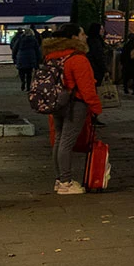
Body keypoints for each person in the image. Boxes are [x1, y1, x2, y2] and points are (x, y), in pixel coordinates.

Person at [43, 24, 103, 195]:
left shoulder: (52, 55)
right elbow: (86, 87)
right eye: (82, 33)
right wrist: (95, 106)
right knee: (67, 142)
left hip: (57, 102)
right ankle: (66, 182)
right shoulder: (78, 58)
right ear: (74, 38)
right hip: (75, 104)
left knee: (59, 139)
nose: (85, 37)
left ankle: (59, 179)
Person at [11, 26, 41, 92]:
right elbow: (37, 51)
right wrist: (38, 60)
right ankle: (28, 87)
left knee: (21, 71)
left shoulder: (20, 39)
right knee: (29, 73)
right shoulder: (34, 40)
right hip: (31, 58)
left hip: (21, 57)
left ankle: (22, 81)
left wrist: (14, 58)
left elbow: (15, 49)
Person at [84, 23, 109, 90]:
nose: (102, 31)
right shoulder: (96, 42)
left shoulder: (91, 40)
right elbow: (99, 56)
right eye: (101, 29)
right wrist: (105, 70)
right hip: (96, 69)